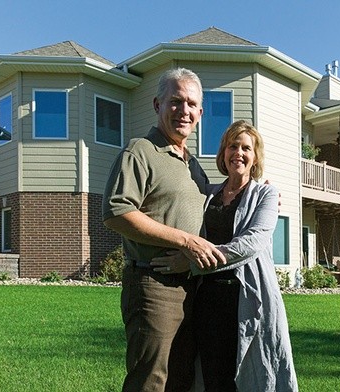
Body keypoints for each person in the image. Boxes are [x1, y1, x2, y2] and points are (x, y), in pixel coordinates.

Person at [102, 67, 227, 392]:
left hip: (190, 288)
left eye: (190, 104)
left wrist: (256, 189)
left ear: (199, 112)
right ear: (158, 105)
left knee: (183, 380)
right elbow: (116, 212)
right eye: (175, 101)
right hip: (153, 287)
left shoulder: (191, 164)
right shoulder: (140, 151)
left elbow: (211, 205)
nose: (183, 111)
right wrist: (185, 241)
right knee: (151, 382)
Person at [152, 120, 298, 392]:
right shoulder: (209, 194)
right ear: (223, 153)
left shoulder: (266, 194)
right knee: (212, 374)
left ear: (255, 157)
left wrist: (193, 261)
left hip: (246, 298)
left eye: (246, 148)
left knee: (250, 373)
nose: (238, 153)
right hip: (207, 300)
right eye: (233, 146)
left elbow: (251, 243)